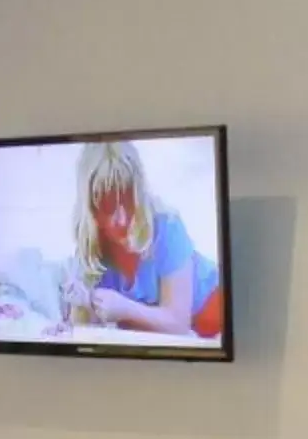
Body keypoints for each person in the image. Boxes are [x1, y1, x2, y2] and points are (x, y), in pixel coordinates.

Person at [73, 139, 225, 339]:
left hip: (215, 305)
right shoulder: (92, 247)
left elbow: (178, 323)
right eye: (107, 206)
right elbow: (87, 320)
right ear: (90, 207)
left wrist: (125, 308)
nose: (121, 219)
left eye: (128, 200)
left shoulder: (166, 225)